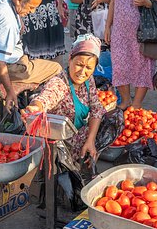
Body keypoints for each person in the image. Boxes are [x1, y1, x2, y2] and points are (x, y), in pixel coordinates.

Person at [0, 0, 62, 110]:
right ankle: (41, 104)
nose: (32, 12)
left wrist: (19, 20)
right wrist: (10, 91)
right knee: (56, 68)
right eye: (31, 7)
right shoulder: (7, 21)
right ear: (19, 0)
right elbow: (0, 62)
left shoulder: (0, 3)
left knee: (33, 60)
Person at [24, 34, 106, 162]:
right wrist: (34, 107)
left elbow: (96, 108)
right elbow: (46, 97)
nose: (82, 72)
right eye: (79, 64)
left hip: (82, 138)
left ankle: (89, 152)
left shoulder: (89, 80)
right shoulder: (59, 83)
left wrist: (91, 140)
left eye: (89, 68)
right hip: (61, 147)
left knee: (114, 116)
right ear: (70, 59)